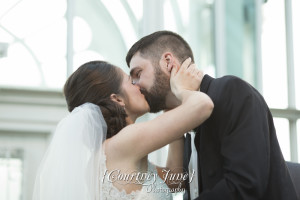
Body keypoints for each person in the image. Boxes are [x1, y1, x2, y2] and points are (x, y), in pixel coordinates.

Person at [126, 30, 299, 200]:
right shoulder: (184, 119)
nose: (135, 85)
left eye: (138, 74)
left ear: (168, 62)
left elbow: (245, 186)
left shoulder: (232, 92)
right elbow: (188, 186)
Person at [32, 59, 214, 200]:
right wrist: (181, 90)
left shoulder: (110, 152)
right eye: (130, 81)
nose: (138, 85)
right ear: (117, 99)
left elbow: (177, 179)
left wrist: (171, 108)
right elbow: (203, 105)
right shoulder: (124, 142)